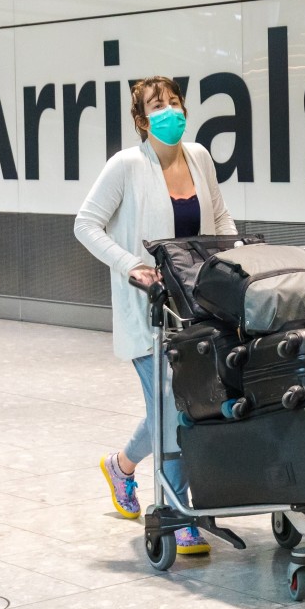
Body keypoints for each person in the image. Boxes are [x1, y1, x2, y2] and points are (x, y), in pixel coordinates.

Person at [75, 76, 237, 555]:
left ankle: (120, 466)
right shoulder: (126, 165)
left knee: (180, 406)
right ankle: (178, 513)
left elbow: (220, 218)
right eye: (157, 105)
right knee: (173, 407)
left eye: (174, 101)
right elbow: (86, 224)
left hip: (197, 306)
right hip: (149, 310)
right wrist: (131, 265)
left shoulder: (199, 156)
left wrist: (233, 258)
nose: (169, 111)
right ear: (142, 120)